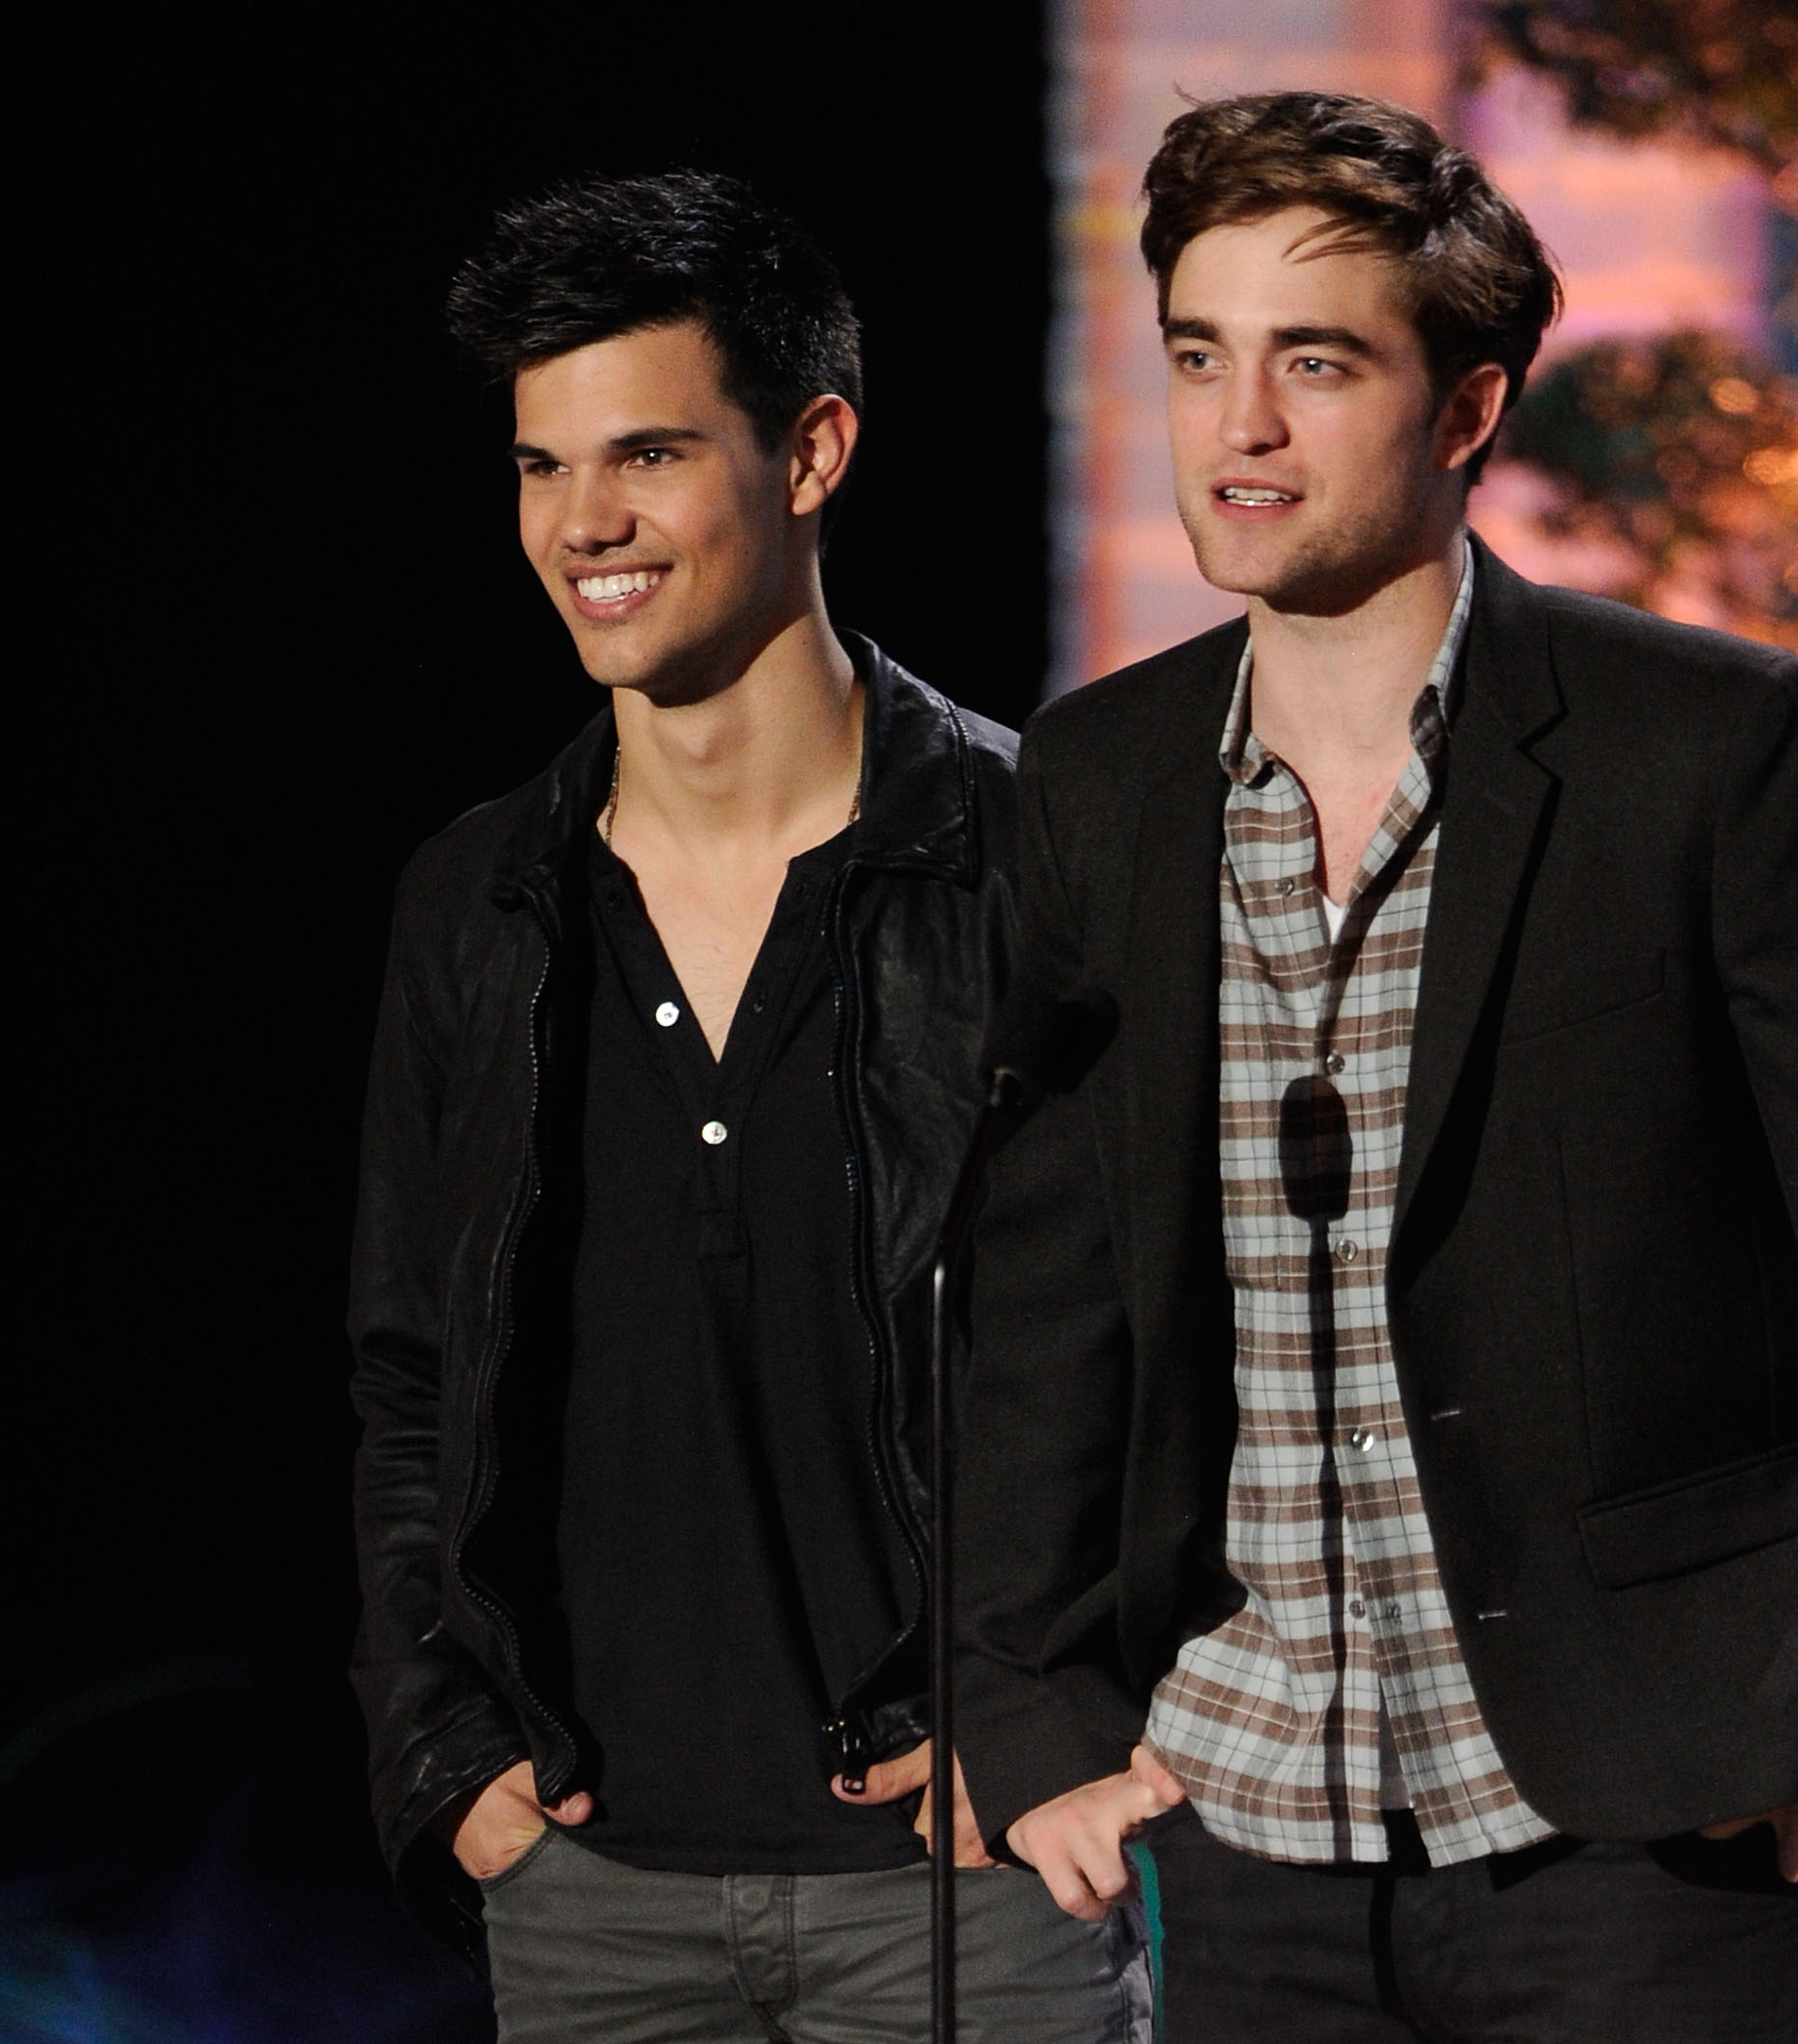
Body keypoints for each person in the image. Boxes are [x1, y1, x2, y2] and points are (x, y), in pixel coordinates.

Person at [951, 91, 1798, 2044]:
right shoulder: (1098, 780)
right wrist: (1025, 1716)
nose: (1240, 426)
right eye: (1198, 356)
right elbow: (1047, 1294)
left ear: (1466, 409)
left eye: (1315, 363)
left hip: (1660, 1825)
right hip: (1242, 1828)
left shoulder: (1705, 746)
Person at [345, 170, 1138, 2041]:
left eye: (646, 454)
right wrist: (442, 1751)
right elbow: (406, 1379)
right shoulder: (478, 900)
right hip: (585, 1891)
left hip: (966, 1895)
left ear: (812, 453)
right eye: (543, 468)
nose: (584, 524)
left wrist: (1059, 1722)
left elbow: (1177, 1345)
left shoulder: (1040, 860)